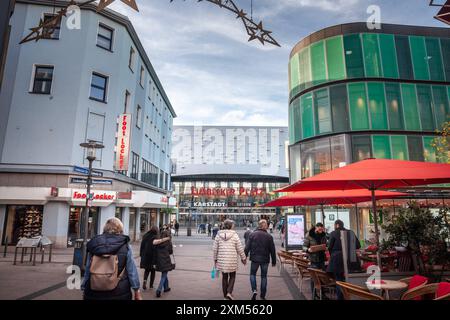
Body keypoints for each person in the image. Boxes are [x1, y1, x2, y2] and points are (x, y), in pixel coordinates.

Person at [82, 217, 142, 300]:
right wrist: (136, 290)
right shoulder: (125, 246)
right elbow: (132, 270)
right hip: (119, 291)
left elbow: (88, 268)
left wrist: (84, 286)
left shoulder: (94, 244)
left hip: (94, 290)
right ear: (120, 229)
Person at [327, 219, 361, 300]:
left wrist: (333, 255)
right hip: (351, 259)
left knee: (339, 280)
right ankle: (351, 297)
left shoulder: (333, 233)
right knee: (350, 279)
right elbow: (358, 245)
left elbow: (329, 247)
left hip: (337, 260)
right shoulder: (351, 232)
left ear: (337, 225)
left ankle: (341, 298)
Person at [212, 220, 246, 300]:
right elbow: (240, 248)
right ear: (230, 226)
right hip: (232, 260)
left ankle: (225, 296)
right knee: (232, 276)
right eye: (233, 225)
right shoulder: (234, 235)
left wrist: (215, 259)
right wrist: (243, 258)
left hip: (222, 261)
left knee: (224, 277)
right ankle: (229, 292)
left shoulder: (218, 235)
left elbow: (215, 249)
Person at [244, 220, 276, 300]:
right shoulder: (269, 236)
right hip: (265, 259)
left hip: (254, 258)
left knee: (252, 274)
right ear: (265, 226)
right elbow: (272, 250)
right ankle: (263, 295)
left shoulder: (252, 234)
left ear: (259, 225)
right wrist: (274, 261)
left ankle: (254, 290)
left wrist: (244, 257)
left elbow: (247, 247)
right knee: (264, 277)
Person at [303, 223, 327, 299]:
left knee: (322, 277)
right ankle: (314, 295)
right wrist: (308, 249)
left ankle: (322, 294)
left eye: (322, 229)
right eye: (319, 229)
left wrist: (325, 247)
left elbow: (326, 244)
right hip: (313, 259)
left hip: (322, 259)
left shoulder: (324, 235)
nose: (321, 231)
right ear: (316, 228)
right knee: (314, 278)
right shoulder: (309, 235)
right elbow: (303, 246)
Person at [153, 230, 174, 298]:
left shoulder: (158, 242)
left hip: (159, 260)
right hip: (166, 260)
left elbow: (155, 250)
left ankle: (166, 288)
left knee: (164, 273)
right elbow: (170, 252)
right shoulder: (168, 242)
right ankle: (159, 290)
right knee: (164, 275)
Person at [140, 226, 158, 290]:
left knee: (147, 270)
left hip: (145, 256)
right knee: (153, 271)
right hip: (152, 256)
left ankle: (144, 281)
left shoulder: (145, 235)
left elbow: (142, 246)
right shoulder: (155, 237)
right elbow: (156, 248)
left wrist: (141, 254)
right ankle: (151, 285)